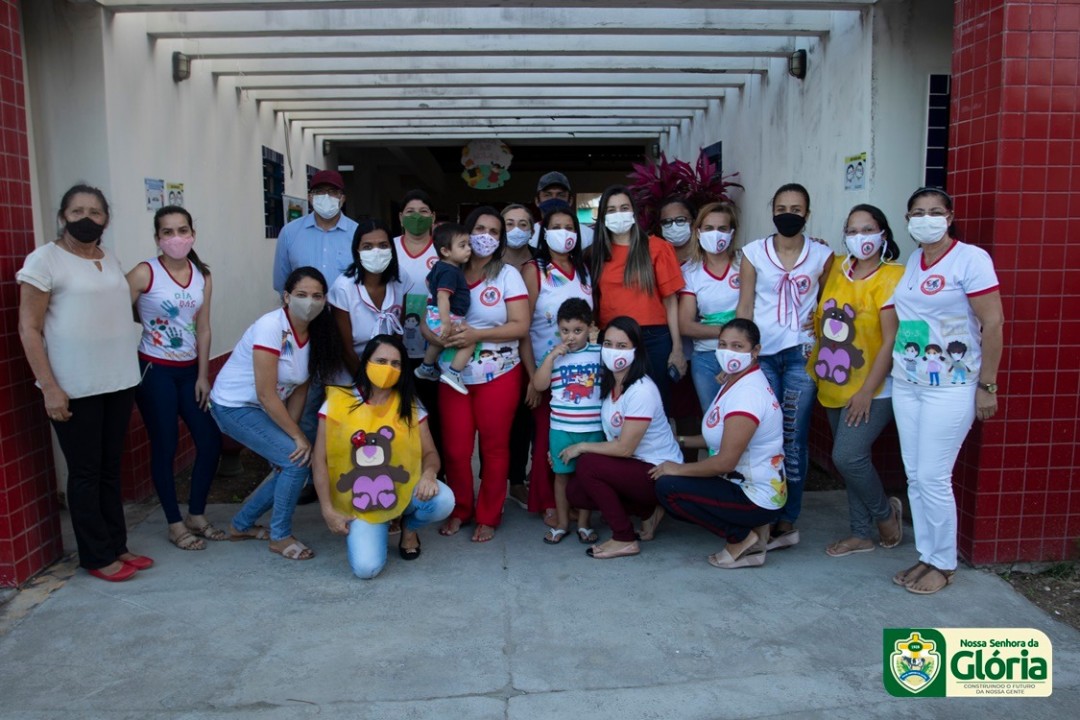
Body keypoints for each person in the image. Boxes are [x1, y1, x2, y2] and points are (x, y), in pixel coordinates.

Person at [17, 184, 148, 582]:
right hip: (76, 386)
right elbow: (29, 327)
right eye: (77, 211)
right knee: (85, 471)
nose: (86, 218)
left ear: (106, 218)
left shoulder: (108, 257)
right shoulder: (44, 261)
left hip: (118, 380)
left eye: (95, 211)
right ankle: (95, 555)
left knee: (110, 467)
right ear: (63, 217)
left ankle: (117, 546)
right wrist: (50, 387)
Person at [884, 187, 1003, 595]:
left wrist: (987, 385)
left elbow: (995, 323)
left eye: (935, 212)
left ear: (949, 217)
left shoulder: (971, 260)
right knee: (916, 476)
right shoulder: (915, 260)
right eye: (918, 212)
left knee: (934, 476)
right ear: (908, 218)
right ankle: (927, 554)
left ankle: (944, 563)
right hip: (908, 382)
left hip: (951, 386)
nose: (926, 218)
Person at [209, 267, 341, 560]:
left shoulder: (317, 332)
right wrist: (295, 438)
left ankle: (241, 525)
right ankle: (280, 536)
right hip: (235, 405)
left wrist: (288, 436)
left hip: (267, 407)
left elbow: (301, 389)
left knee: (289, 459)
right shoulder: (271, 326)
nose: (309, 302)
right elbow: (266, 393)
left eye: (317, 296)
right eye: (302, 295)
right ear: (286, 296)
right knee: (297, 463)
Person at [737, 182, 833, 551]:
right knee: (764, 434)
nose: (788, 214)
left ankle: (788, 517)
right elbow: (745, 305)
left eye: (796, 208)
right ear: (772, 211)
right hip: (762, 355)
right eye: (781, 208)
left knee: (793, 435)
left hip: (802, 354)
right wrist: (742, 357)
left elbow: (831, 301)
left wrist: (821, 323)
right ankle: (762, 508)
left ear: (807, 214)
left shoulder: (823, 255)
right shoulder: (753, 253)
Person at [425, 207, 529, 543]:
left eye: (494, 231)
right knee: (455, 449)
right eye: (479, 229)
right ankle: (460, 509)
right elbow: (428, 316)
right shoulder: (445, 271)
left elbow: (520, 325)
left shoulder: (507, 275)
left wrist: (477, 335)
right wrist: (435, 336)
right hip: (452, 375)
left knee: (495, 447)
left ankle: (488, 515)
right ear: (465, 234)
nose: (486, 236)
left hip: (499, 373)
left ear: (500, 240)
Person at [312, 335, 454, 579]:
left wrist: (429, 474)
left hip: (402, 488)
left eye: (396, 363)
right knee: (366, 569)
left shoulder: (409, 404)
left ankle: (409, 527)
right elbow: (319, 460)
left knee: (443, 501)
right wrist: (327, 509)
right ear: (366, 362)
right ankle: (384, 522)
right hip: (360, 500)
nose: (388, 368)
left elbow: (430, 453)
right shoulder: (337, 402)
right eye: (381, 360)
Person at [809, 204, 905, 558]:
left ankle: (885, 514)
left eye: (868, 230)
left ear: (883, 234)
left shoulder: (894, 276)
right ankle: (860, 533)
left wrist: (867, 392)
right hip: (834, 380)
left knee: (848, 457)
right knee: (852, 457)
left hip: (874, 387)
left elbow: (891, 340)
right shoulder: (835, 267)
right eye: (852, 230)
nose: (859, 238)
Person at [652, 319, 786, 569]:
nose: (728, 352)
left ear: (755, 351)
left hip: (754, 496)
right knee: (669, 478)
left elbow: (725, 461)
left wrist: (677, 469)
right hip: (748, 486)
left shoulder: (747, 396)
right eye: (723, 344)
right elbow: (719, 437)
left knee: (668, 487)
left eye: (738, 346)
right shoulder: (734, 381)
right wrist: (677, 441)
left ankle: (741, 538)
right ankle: (752, 531)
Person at [127, 205, 223, 551]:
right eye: (167, 232)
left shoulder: (203, 275)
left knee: (210, 440)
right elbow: (116, 310)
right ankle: (174, 522)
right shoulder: (144, 273)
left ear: (192, 234)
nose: (176, 238)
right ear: (157, 238)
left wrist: (203, 375)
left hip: (189, 373)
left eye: (182, 230)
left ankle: (197, 514)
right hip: (155, 370)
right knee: (165, 445)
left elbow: (204, 327)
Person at [561, 316, 683, 559]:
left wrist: (582, 447)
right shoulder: (612, 384)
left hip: (658, 471)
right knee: (575, 492)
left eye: (622, 346)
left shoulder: (641, 389)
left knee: (587, 464)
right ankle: (648, 511)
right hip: (635, 467)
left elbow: (625, 448)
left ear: (636, 350)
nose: (612, 351)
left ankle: (624, 538)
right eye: (608, 344)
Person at [272, 170, 358, 503]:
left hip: (342, 332)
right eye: (319, 191)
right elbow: (282, 284)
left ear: (343, 198)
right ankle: (306, 478)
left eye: (332, 192)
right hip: (303, 334)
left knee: (343, 404)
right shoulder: (290, 233)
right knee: (305, 407)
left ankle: (345, 474)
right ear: (309, 196)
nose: (326, 198)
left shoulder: (355, 234)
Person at [519, 204, 594, 528]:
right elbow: (522, 327)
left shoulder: (585, 271)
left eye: (570, 227)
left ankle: (575, 500)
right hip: (545, 370)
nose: (564, 233)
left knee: (575, 438)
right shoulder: (534, 270)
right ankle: (546, 501)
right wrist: (531, 378)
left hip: (579, 374)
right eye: (556, 226)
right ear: (543, 232)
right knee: (546, 439)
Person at [589, 185, 686, 413]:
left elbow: (671, 301)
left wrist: (678, 348)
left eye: (624, 207)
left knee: (656, 406)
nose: (618, 214)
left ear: (634, 211)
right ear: (603, 217)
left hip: (654, 339)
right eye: (611, 210)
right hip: (612, 340)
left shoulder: (658, 248)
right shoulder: (595, 254)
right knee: (616, 405)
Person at [532, 299, 603, 544]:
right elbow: (539, 385)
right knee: (561, 476)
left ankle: (584, 523)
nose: (571, 336)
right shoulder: (553, 355)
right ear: (558, 330)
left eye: (577, 330)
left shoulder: (599, 353)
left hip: (593, 428)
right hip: (561, 428)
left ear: (590, 328)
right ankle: (562, 523)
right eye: (565, 331)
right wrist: (551, 357)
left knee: (588, 477)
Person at [328, 218, 409, 384]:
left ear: (391, 249)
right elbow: (345, 348)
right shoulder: (344, 287)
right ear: (357, 250)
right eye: (368, 247)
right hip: (351, 376)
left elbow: (398, 334)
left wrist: (388, 377)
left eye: (383, 245)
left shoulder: (400, 279)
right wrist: (367, 384)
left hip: (388, 374)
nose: (376, 252)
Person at [679, 202, 742, 411]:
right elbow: (686, 326)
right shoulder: (690, 271)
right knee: (713, 420)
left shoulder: (746, 264)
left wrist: (715, 332)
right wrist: (729, 331)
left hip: (742, 356)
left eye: (722, 229)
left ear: (732, 233)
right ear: (698, 232)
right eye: (708, 228)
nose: (716, 235)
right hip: (705, 358)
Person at [502, 202, 539, 509]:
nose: (516, 230)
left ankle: (520, 480)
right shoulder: (485, 261)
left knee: (528, 420)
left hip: (534, 351)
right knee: (501, 422)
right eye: (509, 223)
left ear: (532, 230)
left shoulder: (541, 263)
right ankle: (498, 482)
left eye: (523, 224)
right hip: (495, 354)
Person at [414, 223, 474, 394]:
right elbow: (442, 296)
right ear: (446, 251)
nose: (468, 249)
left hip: (434, 314)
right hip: (446, 316)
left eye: (468, 244)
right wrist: (446, 322)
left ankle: (426, 367)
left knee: (438, 344)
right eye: (462, 246)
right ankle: (454, 373)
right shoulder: (451, 272)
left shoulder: (439, 266)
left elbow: (428, 282)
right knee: (469, 340)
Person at [530, 171, 594, 250]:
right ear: (537, 201)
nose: (554, 199)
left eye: (561, 195)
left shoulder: (588, 235)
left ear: (570, 201)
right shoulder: (528, 234)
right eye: (547, 195)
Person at [658, 196, 697, 266]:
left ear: (693, 223)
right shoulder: (657, 261)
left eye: (680, 220)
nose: (674, 226)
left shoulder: (707, 259)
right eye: (666, 221)